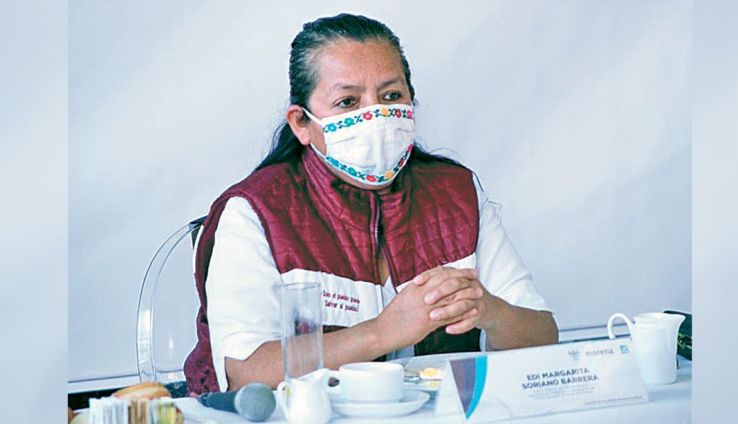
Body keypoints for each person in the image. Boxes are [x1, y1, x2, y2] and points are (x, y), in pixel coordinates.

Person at [184, 13, 558, 394]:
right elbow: (246, 373)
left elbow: (543, 336)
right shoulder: (253, 212)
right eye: (348, 102)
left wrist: (490, 311)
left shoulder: (457, 194)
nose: (375, 116)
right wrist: (382, 332)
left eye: (391, 96)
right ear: (301, 123)